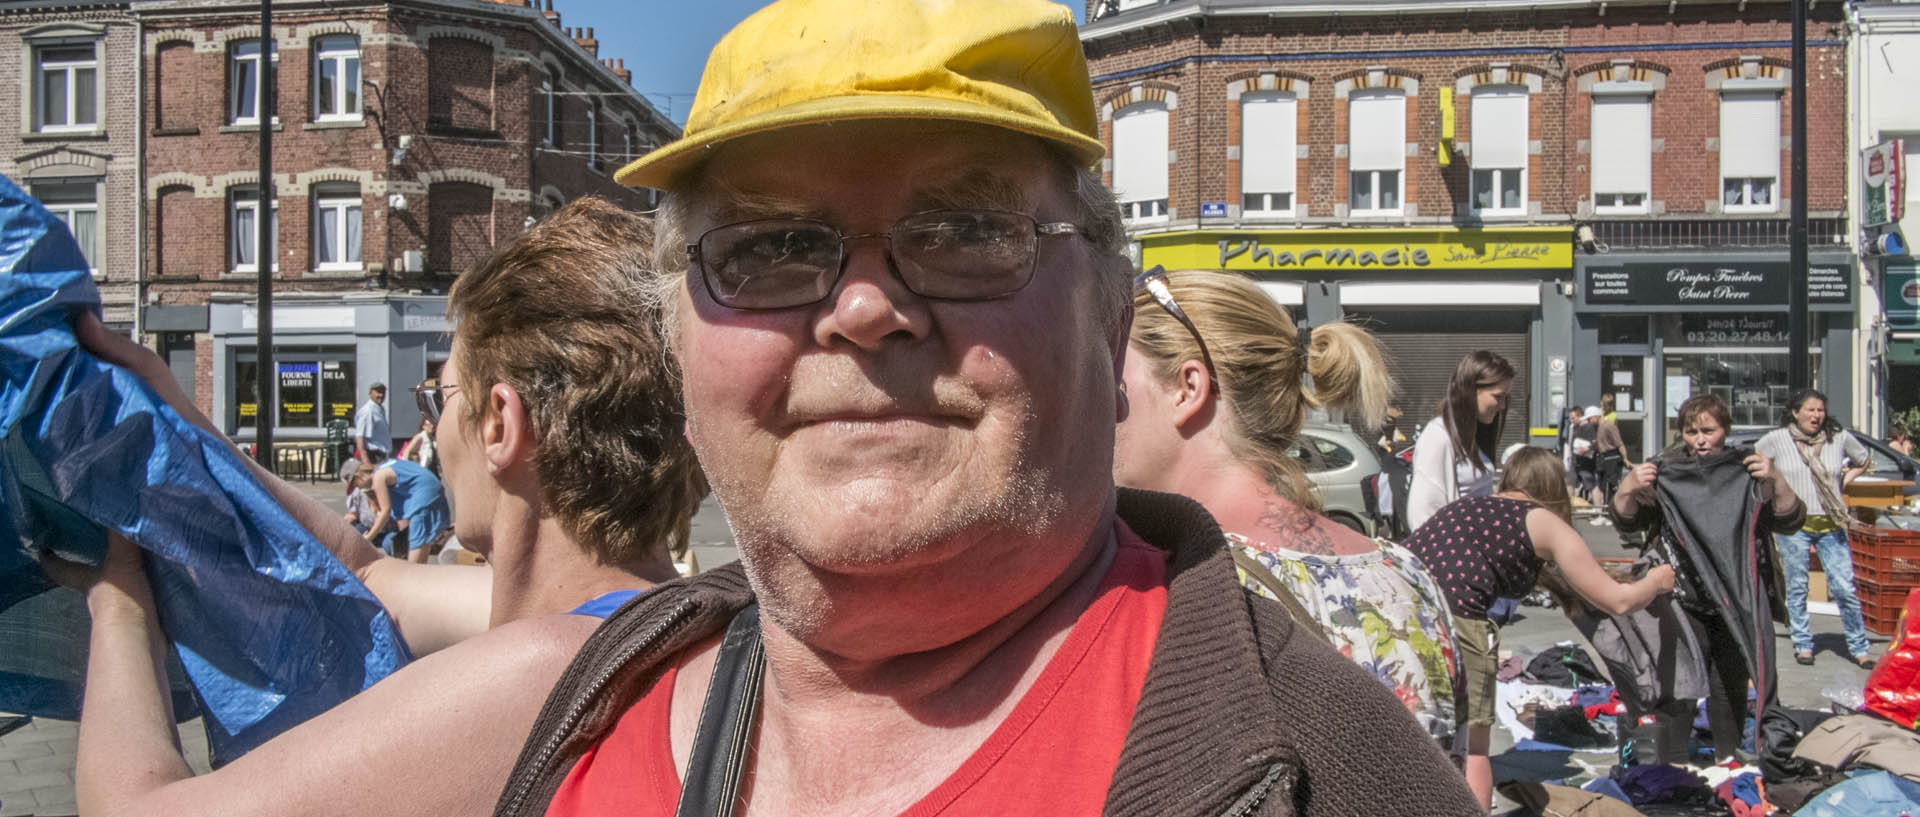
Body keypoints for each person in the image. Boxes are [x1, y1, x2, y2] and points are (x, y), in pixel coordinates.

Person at [496, 3, 1480, 815]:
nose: (864, 310)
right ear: (679, 349)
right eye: (766, 247)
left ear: (1108, 323)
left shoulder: (1323, 770)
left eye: (967, 230)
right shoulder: (592, 702)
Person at [61, 197, 702, 816]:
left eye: (440, 398)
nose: (436, 423)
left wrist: (117, 596)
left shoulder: (542, 676)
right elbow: (364, 570)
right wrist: (186, 423)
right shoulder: (669, 614)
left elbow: (132, 807)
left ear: (500, 425)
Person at [1113, 266, 1460, 741]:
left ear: (1187, 388)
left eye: (1114, 380)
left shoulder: (1175, 588)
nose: (1101, 407)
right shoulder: (1408, 575)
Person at [1404, 447, 1675, 809]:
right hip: (1457, 620)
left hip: (1403, 611)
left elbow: (1560, 581)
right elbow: (1618, 601)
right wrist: (1657, 580)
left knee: (1414, 735)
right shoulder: (1541, 519)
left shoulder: (1469, 509)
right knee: (1474, 748)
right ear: (1553, 488)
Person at [1611, 394, 1804, 768]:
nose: (1700, 439)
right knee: (1678, 683)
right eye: (1691, 431)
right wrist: (1627, 488)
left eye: (1708, 431)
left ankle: (1726, 757)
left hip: (1737, 595)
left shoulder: (1746, 469)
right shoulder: (1666, 470)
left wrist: (1776, 478)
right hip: (1684, 597)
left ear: (1725, 431)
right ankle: (1674, 762)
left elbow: (1791, 519)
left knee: (1729, 683)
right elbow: (1628, 522)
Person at [1755, 388, 1874, 668]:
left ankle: (1859, 646)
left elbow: (1863, 459)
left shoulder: (1838, 437)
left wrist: (1845, 482)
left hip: (1831, 522)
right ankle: (1803, 644)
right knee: (1797, 586)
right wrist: (1774, 487)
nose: (1816, 416)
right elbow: (1753, 463)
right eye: (1810, 410)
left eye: (1820, 410)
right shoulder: (1776, 439)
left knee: (1844, 587)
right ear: (1795, 413)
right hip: (1793, 524)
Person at [1407, 351, 1515, 530]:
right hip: (1451, 550)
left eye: (1506, 398)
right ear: (1471, 391)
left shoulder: (1474, 434)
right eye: (1498, 397)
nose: (1503, 406)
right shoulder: (1438, 436)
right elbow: (1423, 510)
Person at [356, 457, 451, 563]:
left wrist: (368, 538)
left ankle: (413, 575)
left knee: (417, 545)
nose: (358, 488)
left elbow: (385, 512)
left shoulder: (378, 476)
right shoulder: (387, 464)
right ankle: (420, 573)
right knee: (422, 541)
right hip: (432, 488)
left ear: (359, 477)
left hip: (423, 496)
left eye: (355, 484)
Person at [354, 382, 391, 462]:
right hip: (372, 455)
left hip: (381, 454)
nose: (381, 395)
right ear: (370, 393)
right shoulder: (367, 411)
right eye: (378, 392)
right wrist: (365, 460)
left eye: (383, 392)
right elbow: (359, 436)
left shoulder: (379, 408)